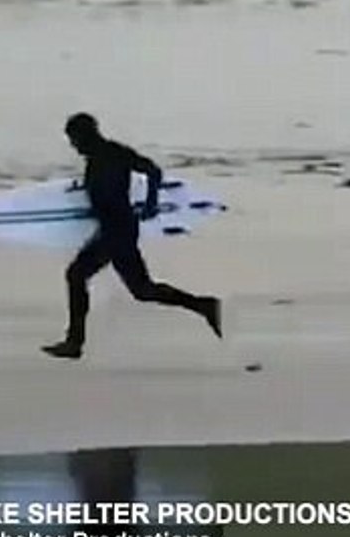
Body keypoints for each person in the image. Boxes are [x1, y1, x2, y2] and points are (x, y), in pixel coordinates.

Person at [42, 113, 221, 360]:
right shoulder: (99, 157)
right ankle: (204, 306)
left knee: (77, 275)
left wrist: (151, 202)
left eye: (74, 139)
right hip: (114, 229)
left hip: (117, 230)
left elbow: (152, 171)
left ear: (86, 135)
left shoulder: (113, 153)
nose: (73, 145)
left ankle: (75, 342)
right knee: (142, 289)